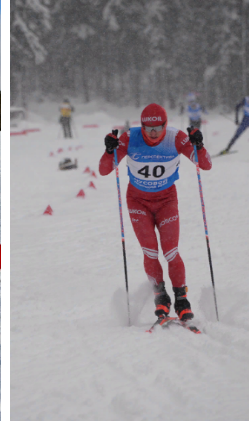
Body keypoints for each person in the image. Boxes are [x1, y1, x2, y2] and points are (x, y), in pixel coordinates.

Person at [99, 103, 212, 322]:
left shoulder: (175, 137)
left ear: (165, 125)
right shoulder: (130, 138)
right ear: (141, 126)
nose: (152, 132)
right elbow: (104, 170)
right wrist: (109, 150)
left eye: (157, 128)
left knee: (170, 251)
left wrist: (199, 146)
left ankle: (181, 299)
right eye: (147, 128)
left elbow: (205, 164)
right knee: (150, 251)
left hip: (166, 202)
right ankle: (161, 296)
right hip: (138, 203)